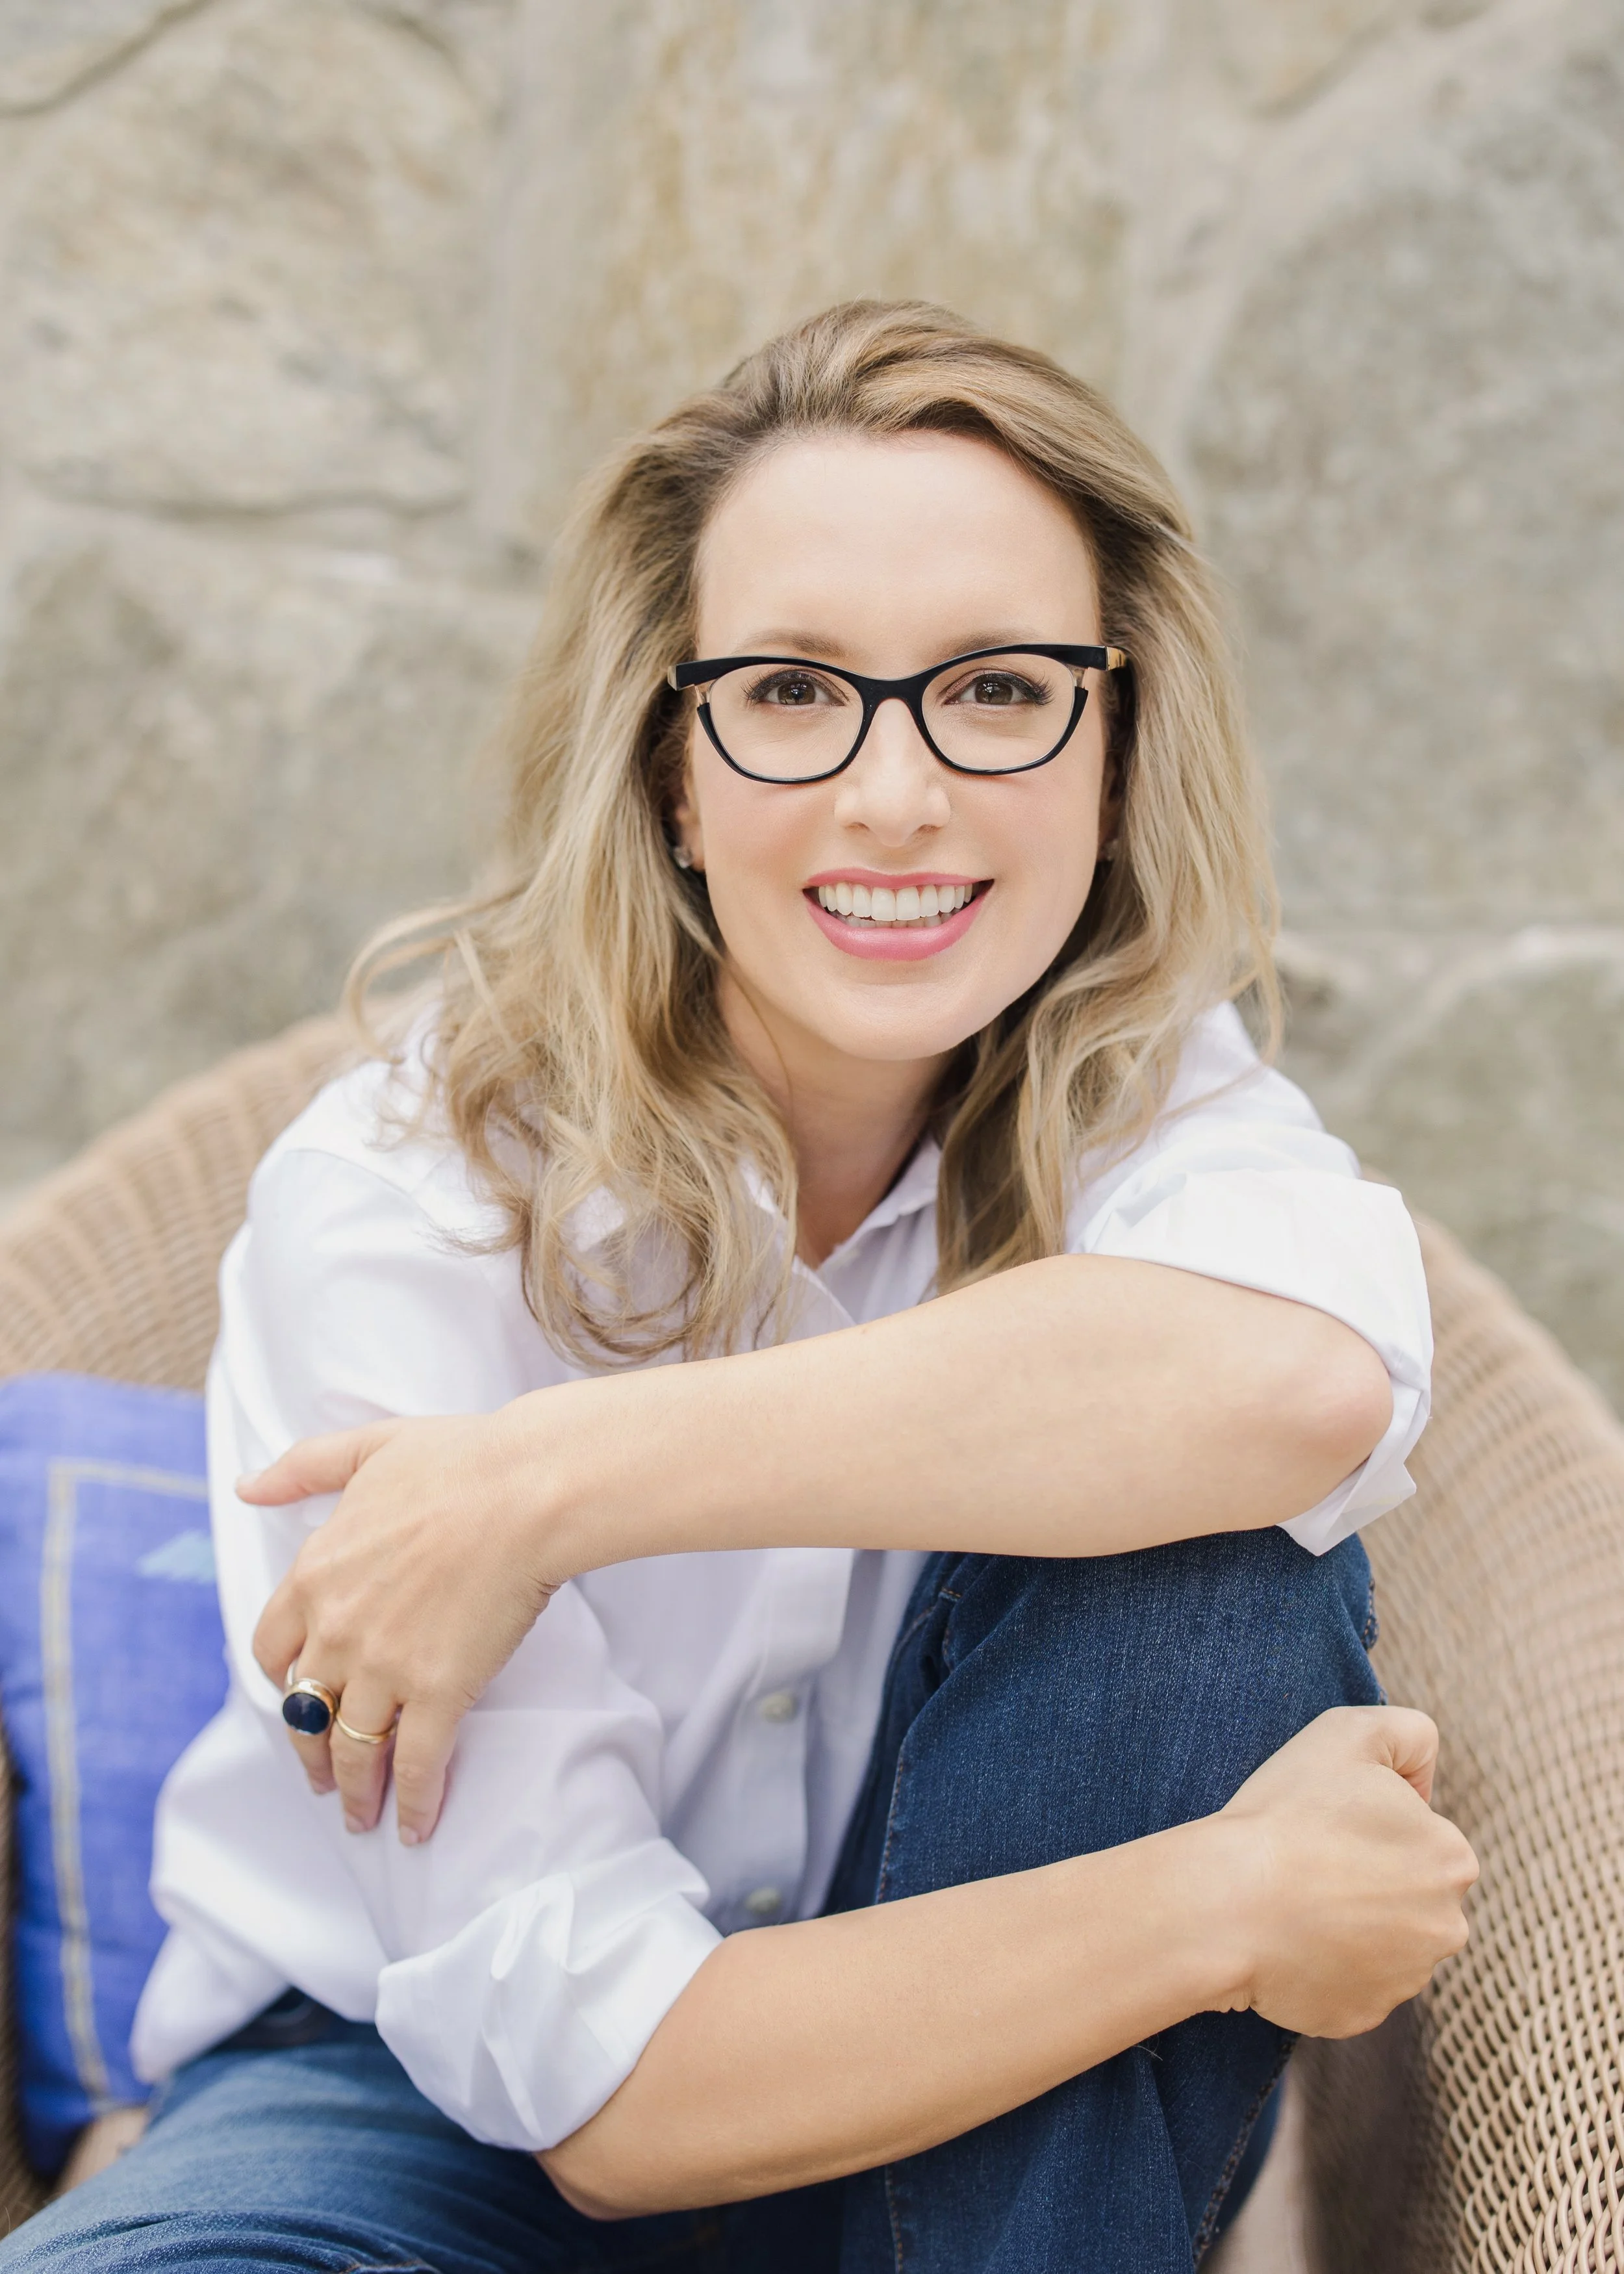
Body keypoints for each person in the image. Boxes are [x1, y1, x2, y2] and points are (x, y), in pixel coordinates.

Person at [3, 301, 1476, 2274]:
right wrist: (1224, 1902)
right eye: (791, 693)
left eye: (996, 690)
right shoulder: (399, 1199)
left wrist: (545, 1483)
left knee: (1210, 1581)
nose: (895, 794)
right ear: (672, 771)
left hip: (990, 2105)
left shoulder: (1154, 1104)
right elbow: (609, 2098)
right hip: (415, 2101)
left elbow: (1303, 1381)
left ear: (1111, 754)